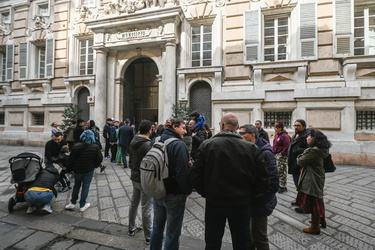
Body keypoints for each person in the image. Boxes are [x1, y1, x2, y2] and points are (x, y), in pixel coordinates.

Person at [189, 113, 269, 250]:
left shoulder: (207, 145)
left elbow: (194, 175)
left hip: (215, 201)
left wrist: (206, 192)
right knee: (241, 242)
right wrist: (249, 194)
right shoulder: (252, 148)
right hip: (241, 203)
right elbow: (263, 179)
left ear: (221, 125)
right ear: (237, 127)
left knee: (213, 242)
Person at [150, 118, 192, 250]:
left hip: (157, 190)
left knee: (157, 227)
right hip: (174, 194)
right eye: (183, 127)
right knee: (172, 232)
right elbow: (182, 172)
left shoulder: (156, 140)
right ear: (174, 127)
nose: (185, 131)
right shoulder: (178, 145)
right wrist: (187, 191)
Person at [239, 124, 279, 250]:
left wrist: (259, 197)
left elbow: (273, 181)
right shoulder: (246, 149)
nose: (239, 136)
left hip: (260, 202)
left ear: (252, 135)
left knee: (259, 237)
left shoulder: (266, 153)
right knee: (249, 235)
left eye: (242, 133)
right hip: (249, 200)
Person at [295, 129, 331, 235]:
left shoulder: (314, 150)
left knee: (314, 200)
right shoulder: (322, 149)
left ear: (314, 139)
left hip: (312, 178)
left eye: (309, 136)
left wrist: (304, 151)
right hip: (317, 176)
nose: (307, 138)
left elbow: (300, 161)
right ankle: (321, 220)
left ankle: (315, 226)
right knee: (318, 198)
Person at [65, 129, 103, 212]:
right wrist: (95, 166)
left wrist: (69, 169)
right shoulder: (95, 147)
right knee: (85, 186)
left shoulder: (76, 146)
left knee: (76, 185)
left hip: (77, 169)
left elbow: (71, 159)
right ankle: (82, 204)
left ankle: (72, 202)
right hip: (88, 169)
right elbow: (99, 158)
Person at [128, 120, 153, 244]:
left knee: (134, 203)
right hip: (144, 178)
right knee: (146, 208)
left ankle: (131, 228)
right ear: (149, 130)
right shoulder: (148, 145)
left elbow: (130, 158)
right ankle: (148, 236)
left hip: (134, 176)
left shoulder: (134, 141)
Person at [288, 119, 311, 209]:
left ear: (304, 126)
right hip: (294, 164)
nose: (296, 127)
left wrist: (297, 151)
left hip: (301, 165)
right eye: (295, 125)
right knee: (297, 185)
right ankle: (299, 200)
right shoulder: (295, 135)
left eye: (298, 126)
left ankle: (304, 204)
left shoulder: (307, 136)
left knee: (302, 186)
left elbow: (309, 150)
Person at [272, 122, 291, 194]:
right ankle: (279, 184)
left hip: (281, 156)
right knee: (277, 170)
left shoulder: (285, 136)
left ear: (280, 128)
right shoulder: (276, 135)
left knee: (282, 171)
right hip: (276, 154)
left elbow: (287, 146)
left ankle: (283, 186)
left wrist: (282, 153)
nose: (275, 128)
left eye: (276, 127)